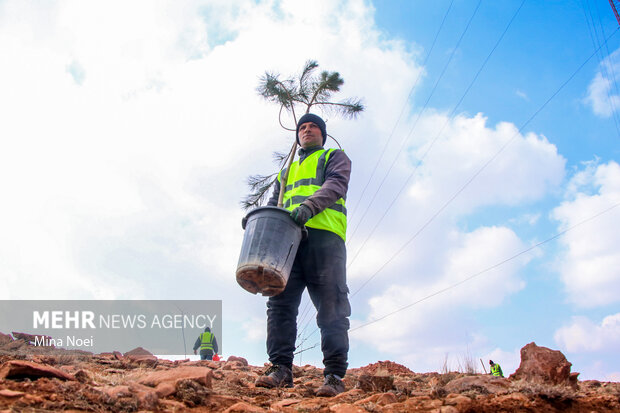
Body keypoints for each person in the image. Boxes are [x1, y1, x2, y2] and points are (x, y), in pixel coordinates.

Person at [255, 113, 352, 397]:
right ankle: (280, 368)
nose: (307, 130)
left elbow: (336, 185)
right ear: (297, 135)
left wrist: (309, 207)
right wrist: (261, 226)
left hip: (324, 239)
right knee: (279, 305)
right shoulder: (286, 172)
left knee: (332, 307)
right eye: (302, 127)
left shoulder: (334, 156)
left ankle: (334, 375)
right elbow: (274, 204)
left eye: (313, 127)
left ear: (322, 134)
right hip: (288, 243)